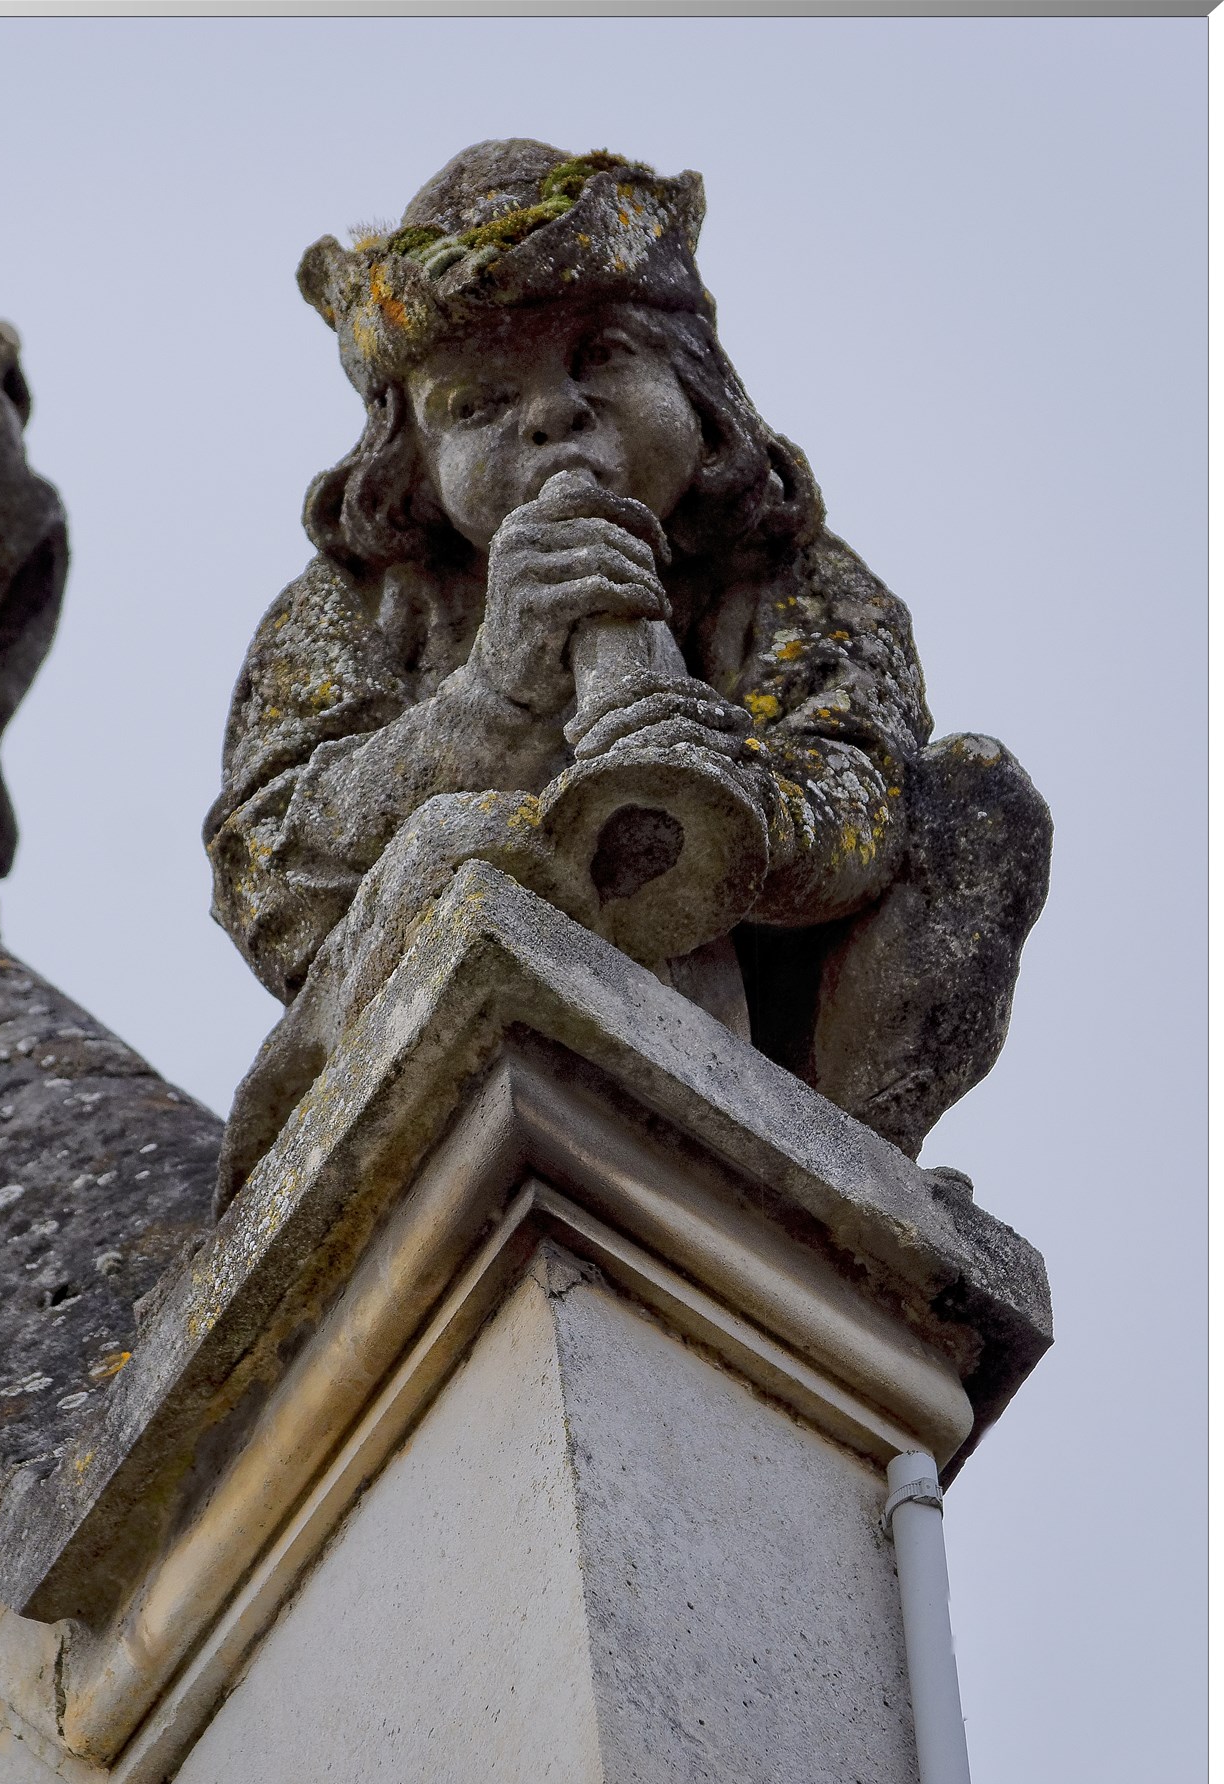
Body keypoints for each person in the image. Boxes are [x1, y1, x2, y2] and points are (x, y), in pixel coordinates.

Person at [205, 140, 1049, 1207]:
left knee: (976, 804)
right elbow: (273, 879)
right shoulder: (350, 606)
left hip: (764, 1029)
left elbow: (863, 791)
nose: (554, 415)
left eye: (600, 356)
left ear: (696, 386)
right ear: (411, 461)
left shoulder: (795, 579)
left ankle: (851, 1167)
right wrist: (493, 699)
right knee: (463, 847)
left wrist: (734, 803)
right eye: (477, 404)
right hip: (423, 1027)